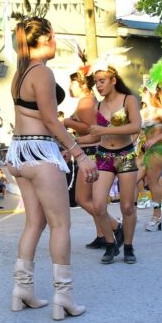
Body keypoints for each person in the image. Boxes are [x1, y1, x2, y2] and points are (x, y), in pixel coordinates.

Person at [6, 16, 94, 319]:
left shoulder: (20, 73)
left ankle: (22, 290)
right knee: (60, 224)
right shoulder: (41, 72)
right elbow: (51, 120)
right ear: (45, 39)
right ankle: (63, 297)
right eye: (54, 37)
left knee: (34, 223)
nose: (56, 43)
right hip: (40, 151)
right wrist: (80, 155)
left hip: (20, 152)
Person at [63, 67, 123, 249]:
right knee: (93, 199)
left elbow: (94, 132)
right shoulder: (88, 100)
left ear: (82, 84)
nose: (69, 86)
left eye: (72, 83)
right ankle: (102, 235)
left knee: (82, 199)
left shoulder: (86, 102)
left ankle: (116, 226)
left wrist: (67, 123)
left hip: (92, 153)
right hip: (93, 152)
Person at [88, 64, 141, 264]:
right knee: (98, 206)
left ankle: (128, 246)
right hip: (103, 156)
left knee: (127, 207)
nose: (98, 85)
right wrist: (70, 143)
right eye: (96, 82)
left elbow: (136, 126)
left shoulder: (128, 100)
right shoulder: (97, 106)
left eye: (102, 81)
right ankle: (111, 244)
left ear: (113, 80)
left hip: (125, 155)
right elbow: (95, 136)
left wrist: (103, 131)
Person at [137, 86, 162, 232]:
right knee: (132, 179)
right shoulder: (142, 112)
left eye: (145, 91)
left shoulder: (159, 111)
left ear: (151, 94)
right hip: (144, 151)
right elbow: (135, 130)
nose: (142, 93)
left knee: (152, 182)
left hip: (158, 150)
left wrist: (154, 140)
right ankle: (129, 214)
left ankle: (157, 215)